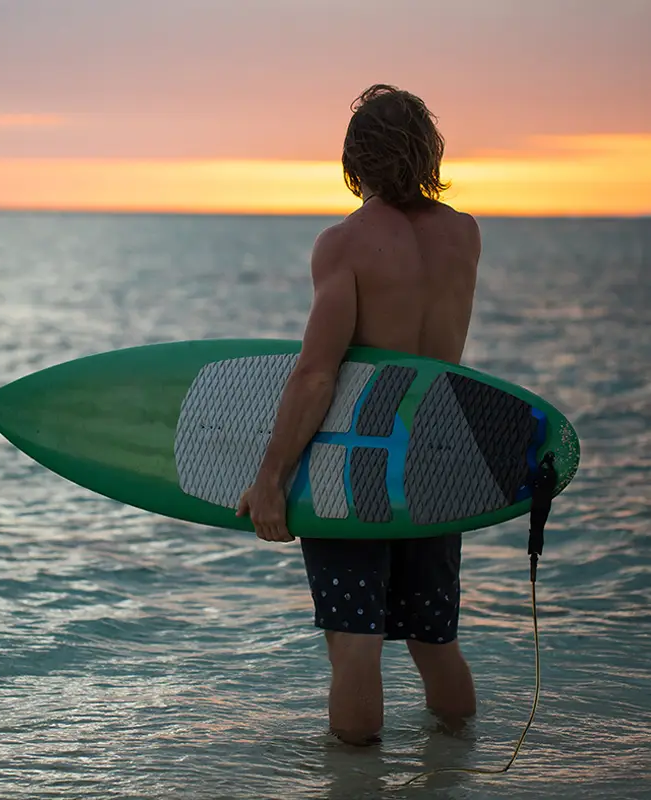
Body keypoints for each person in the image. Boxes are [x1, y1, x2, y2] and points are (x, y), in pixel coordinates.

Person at [237, 84, 480, 746]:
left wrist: (271, 476)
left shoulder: (345, 244)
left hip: (361, 462)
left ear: (354, 160)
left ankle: (353, 787)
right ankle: (457, 774)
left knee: (355, 644)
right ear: (428, 151)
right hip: (439, 459)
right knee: (435, 641)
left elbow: (318, 373)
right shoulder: (463, 233)